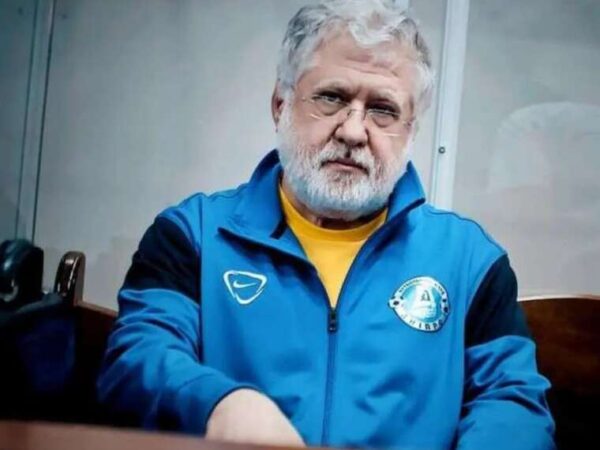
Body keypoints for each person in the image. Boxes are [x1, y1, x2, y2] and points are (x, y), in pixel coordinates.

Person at [97, 1, 556, 449]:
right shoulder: (194, 236)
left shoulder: (469, 262)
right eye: (332, 98)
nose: (353, 131)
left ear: (411, 131)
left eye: (383, 109)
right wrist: (217, 404)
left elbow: (512, 402)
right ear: (280, 105)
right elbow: (137, 358)